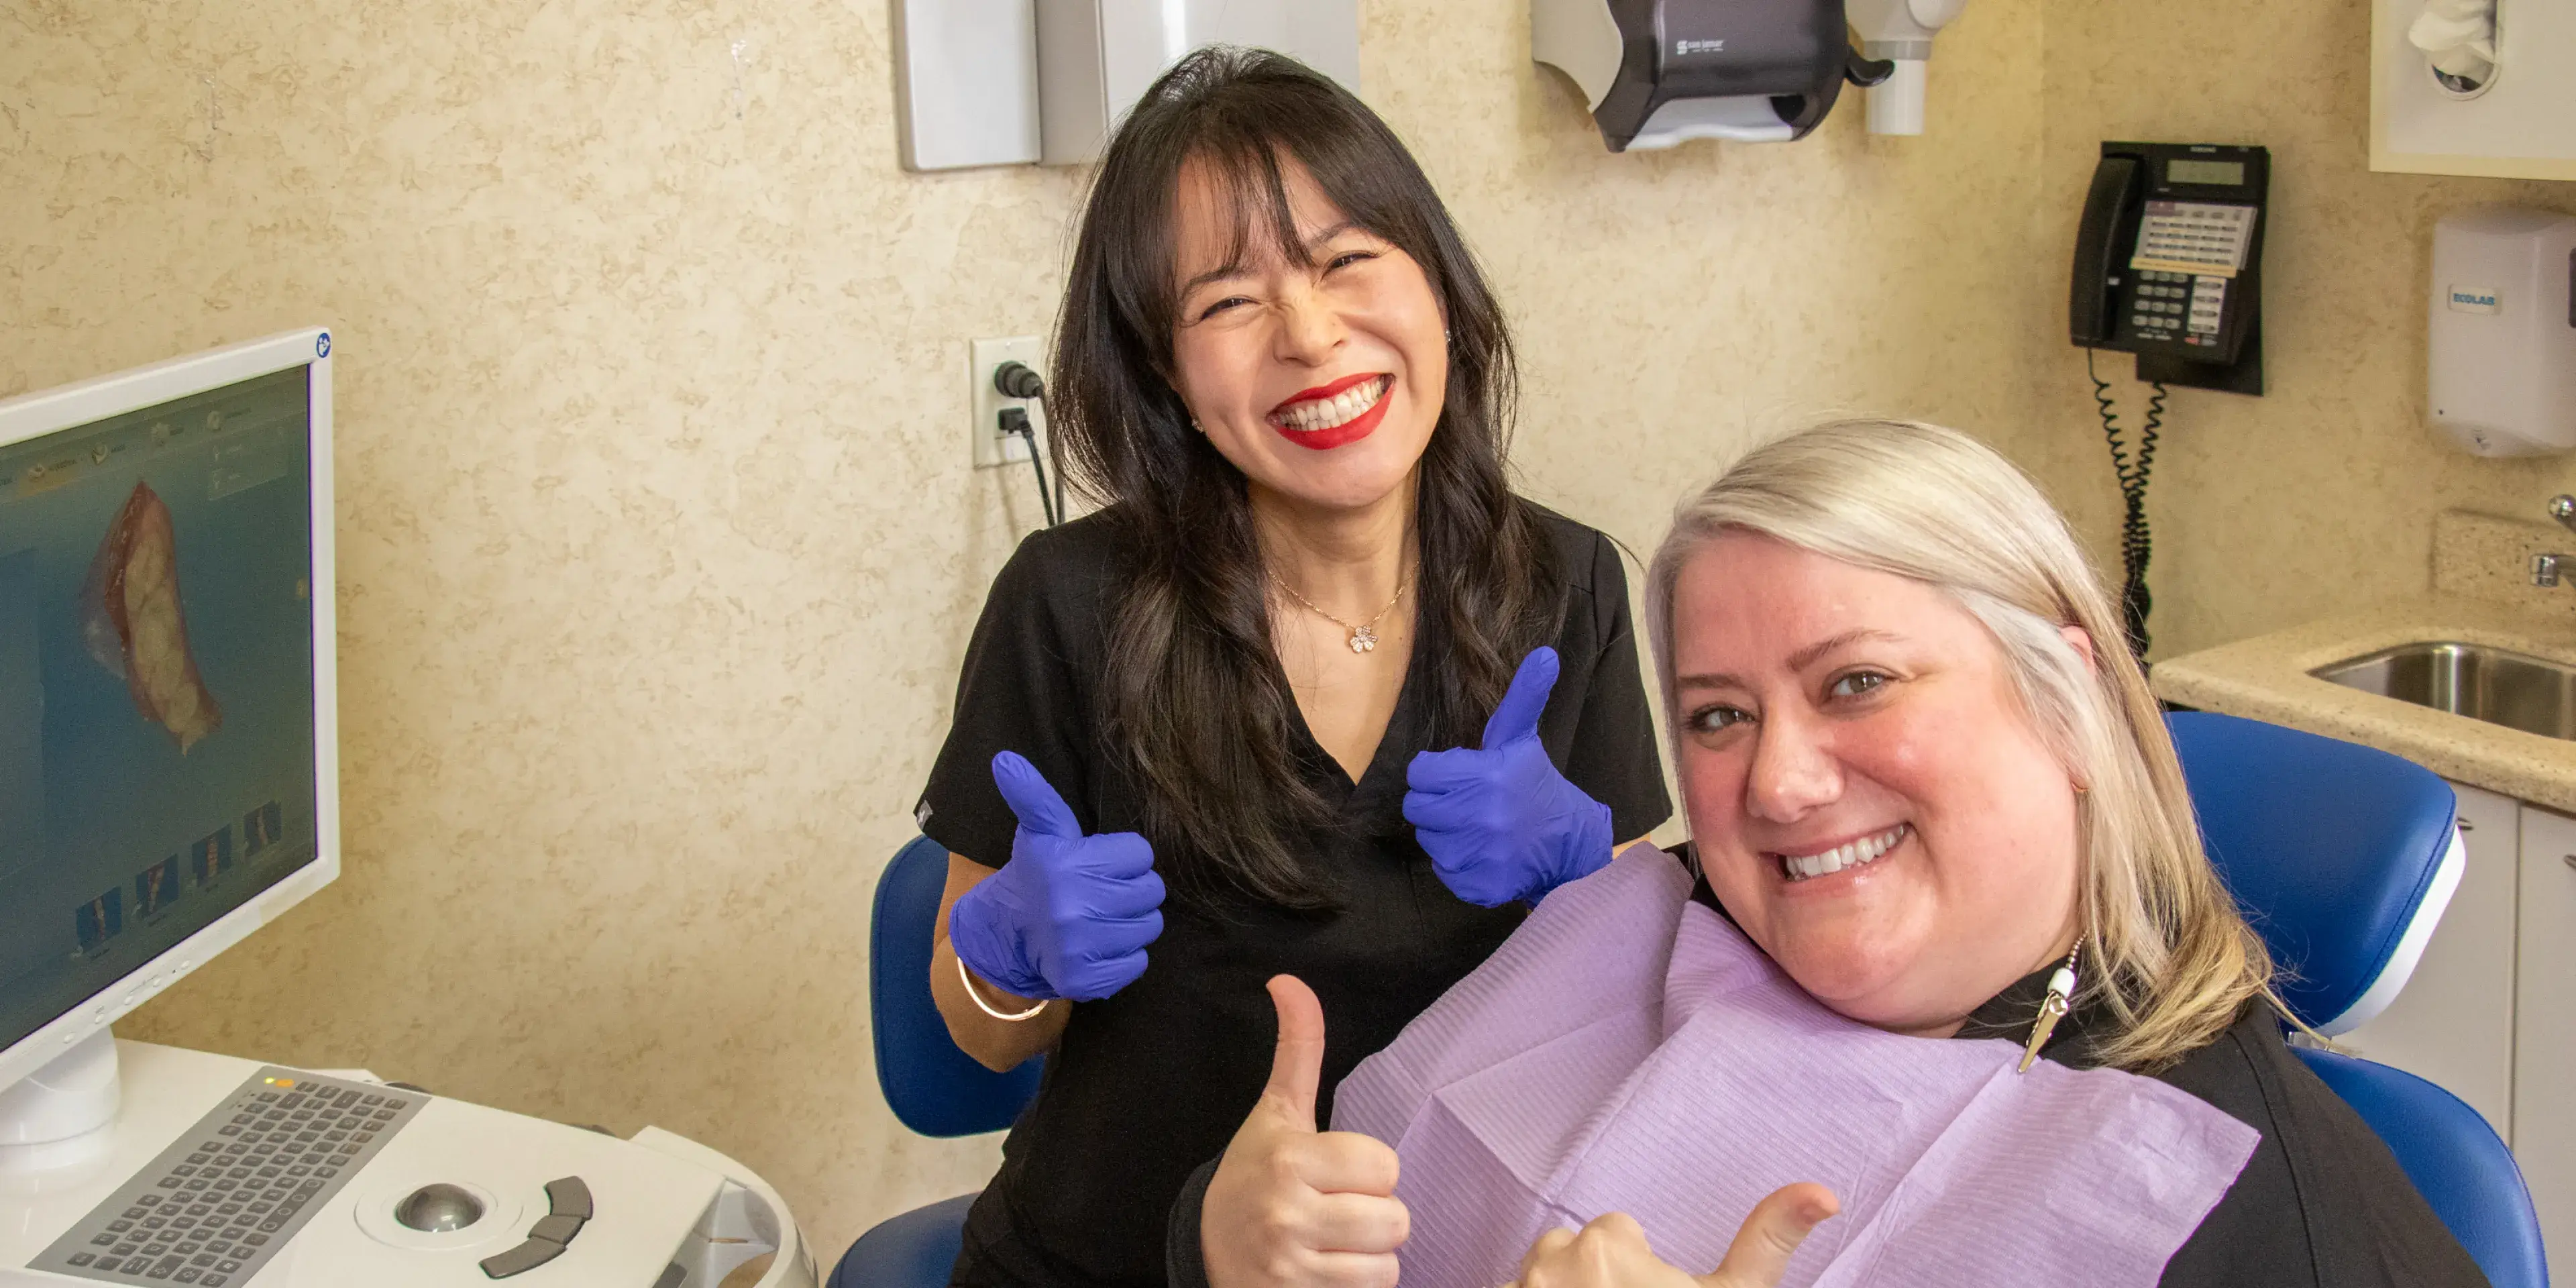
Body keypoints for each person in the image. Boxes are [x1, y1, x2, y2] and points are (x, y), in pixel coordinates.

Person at [1178, 421, 2488, 1288]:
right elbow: (1328, 1204)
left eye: (1858, 681)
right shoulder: (1658, 916)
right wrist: (1218, 1241)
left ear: (2068, 705)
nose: (1781, 782)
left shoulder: (2272, 1219)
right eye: (1720, 716)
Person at [911, 47, 1672, 1288]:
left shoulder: (1569, 587)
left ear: (1437, 286)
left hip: (1449, 1258)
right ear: (1166, 370)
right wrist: (1005, 966)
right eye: (1226, 302)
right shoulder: (1069, 603)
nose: (1312, 337)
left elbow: (1633, 1006)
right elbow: (983, 1037)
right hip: (1108, 1261)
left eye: (1346, 260)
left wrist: (1591, 882)